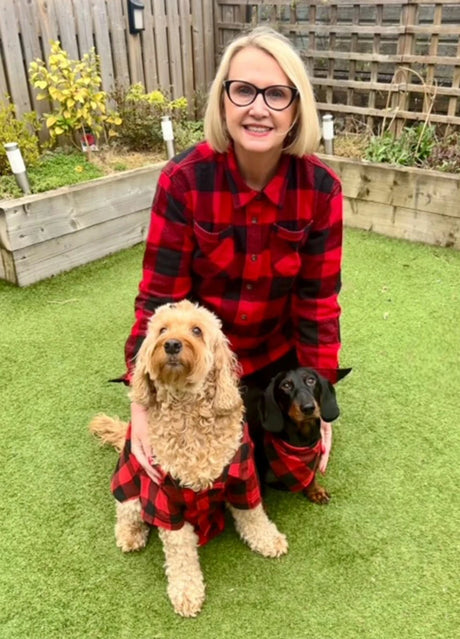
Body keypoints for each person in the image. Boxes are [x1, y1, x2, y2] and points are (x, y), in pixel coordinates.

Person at [118, 26, 344, 483]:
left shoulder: (321, 190)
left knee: (271, 474)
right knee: (170, 478)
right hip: (206, 364)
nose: (258, 108)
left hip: (275, 365)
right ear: (223, 101)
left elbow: (318, 305)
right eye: (243, 90)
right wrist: (141, 404)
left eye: (277, 94)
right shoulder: (183, 180)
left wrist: (320, 399)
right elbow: (158, 300)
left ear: (297, 109)